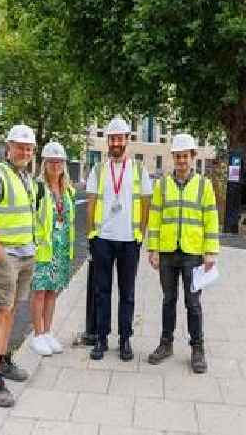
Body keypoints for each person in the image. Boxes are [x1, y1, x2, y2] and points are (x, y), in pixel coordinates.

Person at [146, 133, 220, 373]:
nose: (181, 161)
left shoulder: (203, 185)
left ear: (192, 157)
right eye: (177, 156)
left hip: (193, 253)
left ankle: (197, 348)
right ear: (173, 158)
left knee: (193, 303)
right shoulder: (162, 185)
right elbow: (155, 218)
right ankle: (166, 344)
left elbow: (210, 218)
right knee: (168, 300)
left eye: (185, 156)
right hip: (167, 252)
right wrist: (153, 249)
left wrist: (210, 252)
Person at [0, 124, 37, 408]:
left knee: (12, 310)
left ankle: (3, 360)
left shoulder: (26, 176)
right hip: (8, 256)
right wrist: (0, 255)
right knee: (1, 310)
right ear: (9, 147)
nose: (24, 151)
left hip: (26, 253)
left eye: (28, 148)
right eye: (20, 146)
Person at [86, 116, 152, 361]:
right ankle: (101, 339)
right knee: (102, 291)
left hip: (128, 241)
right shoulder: (98, 169)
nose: (115, 142)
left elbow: (146, 203)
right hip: (103, 239)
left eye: (119, 138)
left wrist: (140, 235)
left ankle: (125, 339)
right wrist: (91, 234)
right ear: (107, 141)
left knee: (128, 293)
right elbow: (91, 202)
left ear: (126, 140)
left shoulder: (138, 169)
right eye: (112, 138)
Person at [29, 142, 76, 356]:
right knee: (39, 291)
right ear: (44, 164)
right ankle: (37, 335)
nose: (56, 165)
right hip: (43, 247)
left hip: (61, 247)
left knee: (52, 292)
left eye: (59, 162)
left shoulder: (68, 190)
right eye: (51, 162)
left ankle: (48, 332)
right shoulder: (37, 187)